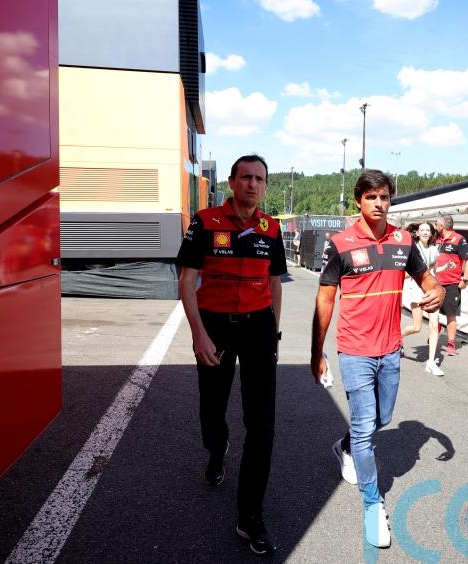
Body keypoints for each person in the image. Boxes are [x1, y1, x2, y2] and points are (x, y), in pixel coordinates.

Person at [310, 170, 443, 549]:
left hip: (390, 349)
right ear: (358, 201)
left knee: (383, 419)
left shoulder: (404, 240)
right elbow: (324, 301)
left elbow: (428, 280)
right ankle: (373, 504)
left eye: (384, 197)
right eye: (371, 197)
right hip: (354, 350)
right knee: (367, 426)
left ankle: (346, 446)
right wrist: (316, 352)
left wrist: (435, 293)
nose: (379, 203)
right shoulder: (340, 244)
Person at [177, 154, 285, 556]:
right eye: (245, 177)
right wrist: (199, 335)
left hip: (258, 327)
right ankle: (217, 447)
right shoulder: (205, 222)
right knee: (212, 411)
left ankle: (250, 516)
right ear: (232, 181)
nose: (252, 185)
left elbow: (275, 284)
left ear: (265, 186)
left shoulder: (271, 228)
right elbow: (187, 283)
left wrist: (273, 332)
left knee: (262, 427)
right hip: (215, 325)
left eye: (259, 178)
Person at [400, 221, 443, 376]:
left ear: (431, 233)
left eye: (427, 230)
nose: (425, 232)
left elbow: (433, 271)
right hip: (415, 290)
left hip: (430, 290)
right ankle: (398, 339)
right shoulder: (412, 249)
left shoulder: (434, 250)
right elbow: (404, 272)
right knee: (417, 327)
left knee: (434, 326)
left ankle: (430, 363)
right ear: (417, 233)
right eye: (422, 230)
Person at [434, 214, 468, 357]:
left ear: (441, 226)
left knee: (450, 314)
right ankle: (436, 330)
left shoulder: (458, 239)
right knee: (433, 312)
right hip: (436, 283)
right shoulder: (436, 239)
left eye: (436, 224)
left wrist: (465, 279)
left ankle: (451, 343)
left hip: (451, 283)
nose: (435, 226)